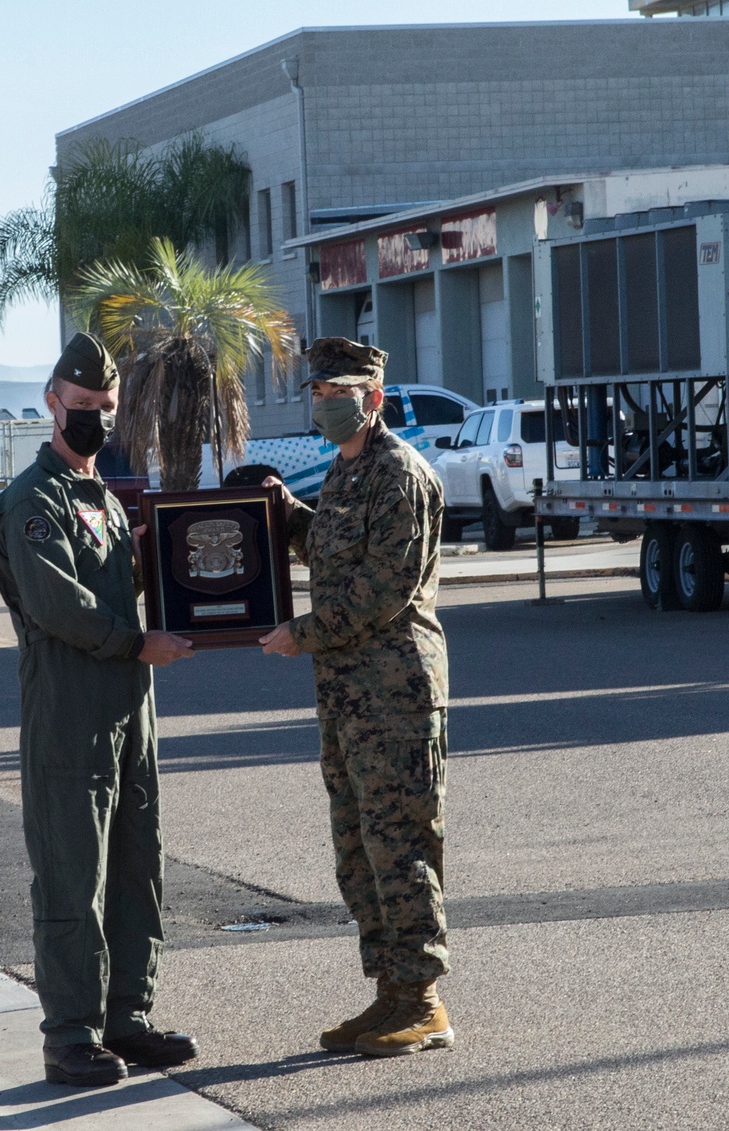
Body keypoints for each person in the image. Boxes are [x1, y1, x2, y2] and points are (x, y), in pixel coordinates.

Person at [0, 333, 199, 1088]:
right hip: (71, 714)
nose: (94, 421)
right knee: (73, 873)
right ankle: (70, 1032)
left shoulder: (102, 496)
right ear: (51, 400)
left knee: (138, 865)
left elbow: (117, 583)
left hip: (128, 709)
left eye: (105, 409)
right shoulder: (33, 499)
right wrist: (137, 642)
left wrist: (161, 553)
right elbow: (57, 606)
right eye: (82, 408)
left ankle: (125, 1017)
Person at [260, 336, 453, 1058]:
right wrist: (285, 515)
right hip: (347, 696)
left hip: (396, 694)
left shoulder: (400, 474)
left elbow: (381, 589)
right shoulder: (344, 474)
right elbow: (335, 553)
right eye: (316, 393)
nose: (323, 404)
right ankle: (389, 993)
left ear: (373, 400)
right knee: (358, 849)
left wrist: (298, 632)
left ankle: (424, 1000)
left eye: (336, 393)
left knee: (401, 846)